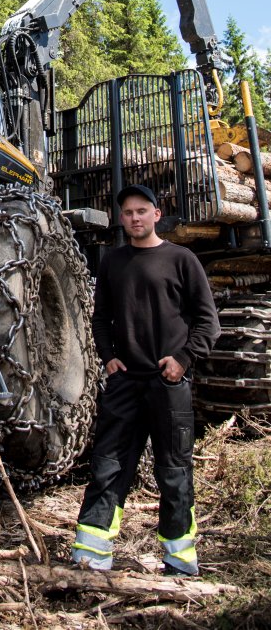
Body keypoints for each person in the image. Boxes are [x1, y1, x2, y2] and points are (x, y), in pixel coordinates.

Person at [71, 183, 220, 576]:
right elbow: (100, 318)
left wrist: (183, 361)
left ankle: (180, 560)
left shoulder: (181, 259)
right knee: (108, 465)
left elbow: (208, 322)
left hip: (167, 383)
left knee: (173, 470)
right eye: (127, 212)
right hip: (125, 383)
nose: (134, 218)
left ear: (156, 214)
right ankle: (91, 555)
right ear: (121, 219)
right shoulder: (113, 262)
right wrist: (108, 358)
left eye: (142, 211)